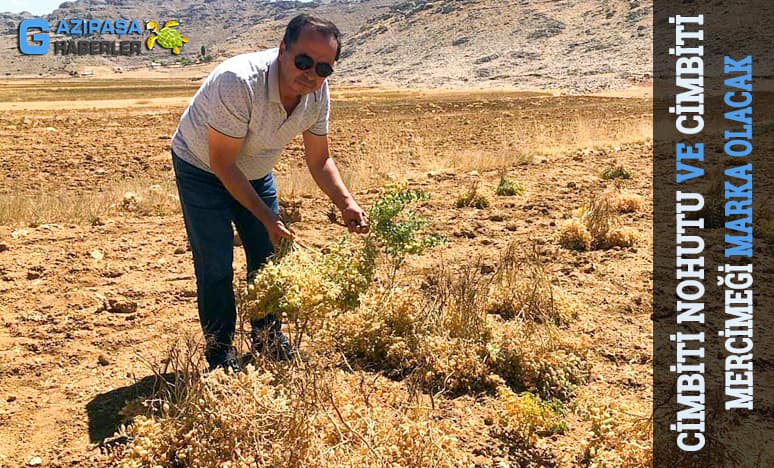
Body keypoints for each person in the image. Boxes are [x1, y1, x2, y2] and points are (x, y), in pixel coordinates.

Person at [170, 14, 368, 372]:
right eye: (303, 61)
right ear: (282, 50)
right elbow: (224, 165)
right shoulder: (239, 82)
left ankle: (267, 338)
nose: (311, 74)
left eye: (323, 68)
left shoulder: (317, 94)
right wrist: (269, 217)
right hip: (201, 167)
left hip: (254, 171)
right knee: (215, 266)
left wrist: (346, 202)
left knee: (267, 259)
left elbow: (320, 159)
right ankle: (220, 354)